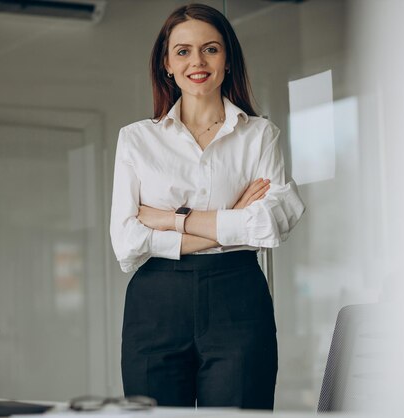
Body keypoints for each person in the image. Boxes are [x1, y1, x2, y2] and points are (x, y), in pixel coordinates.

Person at [109, 3, 304, 410]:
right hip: (155, 304)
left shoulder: (260, 135)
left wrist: (171, 220)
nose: (196, 62)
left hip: (238, 298)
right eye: (182, 51)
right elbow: (127, 243)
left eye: (210, 49)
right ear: (166, 63)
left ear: (227, 58)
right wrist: (230, 218)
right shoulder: (136, 139)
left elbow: (270, 224)